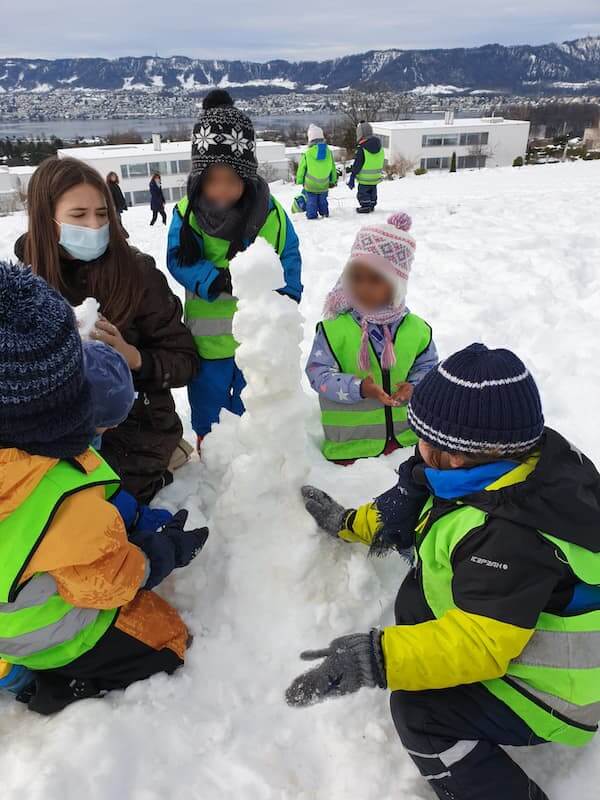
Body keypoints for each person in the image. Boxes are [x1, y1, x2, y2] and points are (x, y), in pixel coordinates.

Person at [288, 343, 600, 800]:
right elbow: (413, 493)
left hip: (557, 690)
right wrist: (348, 524)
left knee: (420, 713)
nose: (419, 448)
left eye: (427, 440)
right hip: (508, 621)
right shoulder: (498, 467)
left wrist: (379, 658)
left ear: (460, 454)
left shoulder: (510, 535)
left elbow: (479, 644)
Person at [0, 261, 208, 715]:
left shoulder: (23, 457)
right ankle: (58, 685)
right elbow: (111, 582)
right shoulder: (59, 497)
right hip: (39, 632)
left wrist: (130, 515)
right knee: (168, 639)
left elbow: (90, 489)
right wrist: (164, 551)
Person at [15, 156, 199, 503]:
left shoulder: (137, 274)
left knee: (93, 501)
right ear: (46, 220)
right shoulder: (25, 282)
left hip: (134, 428)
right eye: (78, 216)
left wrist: (133, 359)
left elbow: (185, 360)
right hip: (51, 429)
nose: (94, 226)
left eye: (102, 214)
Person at [167, 89, 303, 451]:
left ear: (247, 176)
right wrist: (215, 280)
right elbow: (177, 258)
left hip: (256, 335)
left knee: (252, 394)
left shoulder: (269, 213)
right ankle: (209, 445)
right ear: (199, 179)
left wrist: (287, 296)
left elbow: (289, 253)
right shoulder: (186, 215)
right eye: (212, 179)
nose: (222, 189)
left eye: (232, 179)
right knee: (208, 397)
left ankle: (250, 449)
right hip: (208, 336)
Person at [306, 211, 437, 463]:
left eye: (376, 279)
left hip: (407, 446)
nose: (363, 287)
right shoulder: (334, 329)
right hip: (350, 452)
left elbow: (429, 369)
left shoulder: (417, 330)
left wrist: (415, 386)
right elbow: (317, 374)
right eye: (356, 278)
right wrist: (359, 388)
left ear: (396, 284)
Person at [295, 124, 338, 220]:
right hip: (324, 184)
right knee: (323, 200)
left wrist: (299, 180)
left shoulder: (308, 153)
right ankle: (324, 213)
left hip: (310, 184)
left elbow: (302, 168)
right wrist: (333, 180)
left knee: (311, 201)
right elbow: (333, 168)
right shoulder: (328, 152)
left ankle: (312, 216)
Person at [347, 121, 385, 214]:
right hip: (375, 177)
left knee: (363, 193)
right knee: (373, 190)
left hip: (364, 178)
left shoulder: (362, 148)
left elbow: (357, 164)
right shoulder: (380, 147)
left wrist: (352, 176)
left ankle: (365, 206)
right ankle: (372, 205)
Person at [106, 171, 129, 237]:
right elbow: (110, 197)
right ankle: (123, 235)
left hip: (117, 207)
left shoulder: (115, 185)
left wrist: (123, 205)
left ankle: (121, 235)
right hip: (114, 207)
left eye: (114, 176)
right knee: (117, 221)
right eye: (112, 176)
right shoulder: (109, 186)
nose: (113, 178)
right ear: (109, 178)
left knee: (118, 220)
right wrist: (113, 206)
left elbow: (120, 196)